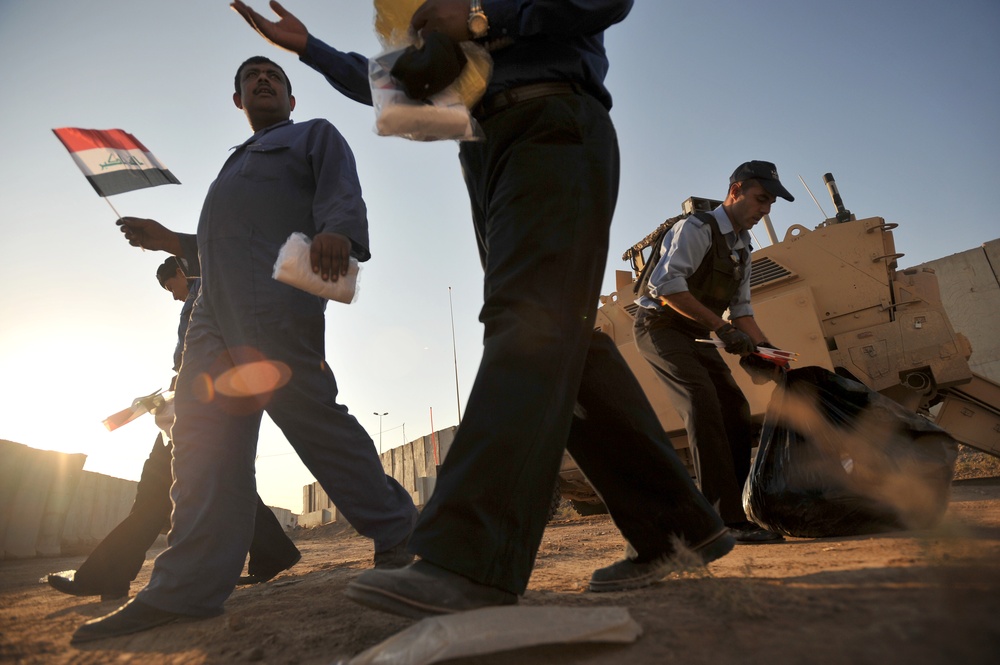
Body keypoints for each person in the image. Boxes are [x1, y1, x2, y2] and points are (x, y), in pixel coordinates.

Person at [232, 0, 733, 619]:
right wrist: (309, 47)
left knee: (529, 322)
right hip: (486, 149)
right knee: (566, 342)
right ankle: (677, 530)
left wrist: (474, 15)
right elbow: (397, 89)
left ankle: (469, 560)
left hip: (552, 122)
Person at [72, 56, 418, 643]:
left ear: (290, 99)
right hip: (211, 310)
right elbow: (221, 242)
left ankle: (399, 528)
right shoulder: (232, 166)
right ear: (237, 101)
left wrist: (337, 230)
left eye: (273, 78)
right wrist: (168, 239)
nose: (262, 81)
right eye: (250, 79)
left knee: (310, 417)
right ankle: (187, 587)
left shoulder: (313, 135)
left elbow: (339, 188)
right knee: (202, 439)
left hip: (273, 299)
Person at [47, 258, 301, 602]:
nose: (172, 296)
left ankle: (108, 575)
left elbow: (218, 352)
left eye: (171, 287)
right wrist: (163, 395)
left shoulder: (207, 292)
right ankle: (110, 575)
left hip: (200, 409)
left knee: (173, 490)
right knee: (179, 489)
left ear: (181, 273)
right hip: (184, 404)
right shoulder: (201, 296)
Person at [632, 161, 794, 543]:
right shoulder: (696, 227)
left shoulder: (743, 247)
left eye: (770, 203)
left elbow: (741, 312)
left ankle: (737, 511)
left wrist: (768, 353)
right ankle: (720, 523)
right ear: (735, 191)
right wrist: (722, 329)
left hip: (697, 331)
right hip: (660, 328)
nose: (765, 209)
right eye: (761, 199)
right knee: (701, 402)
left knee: (734, 408)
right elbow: (667, 287)